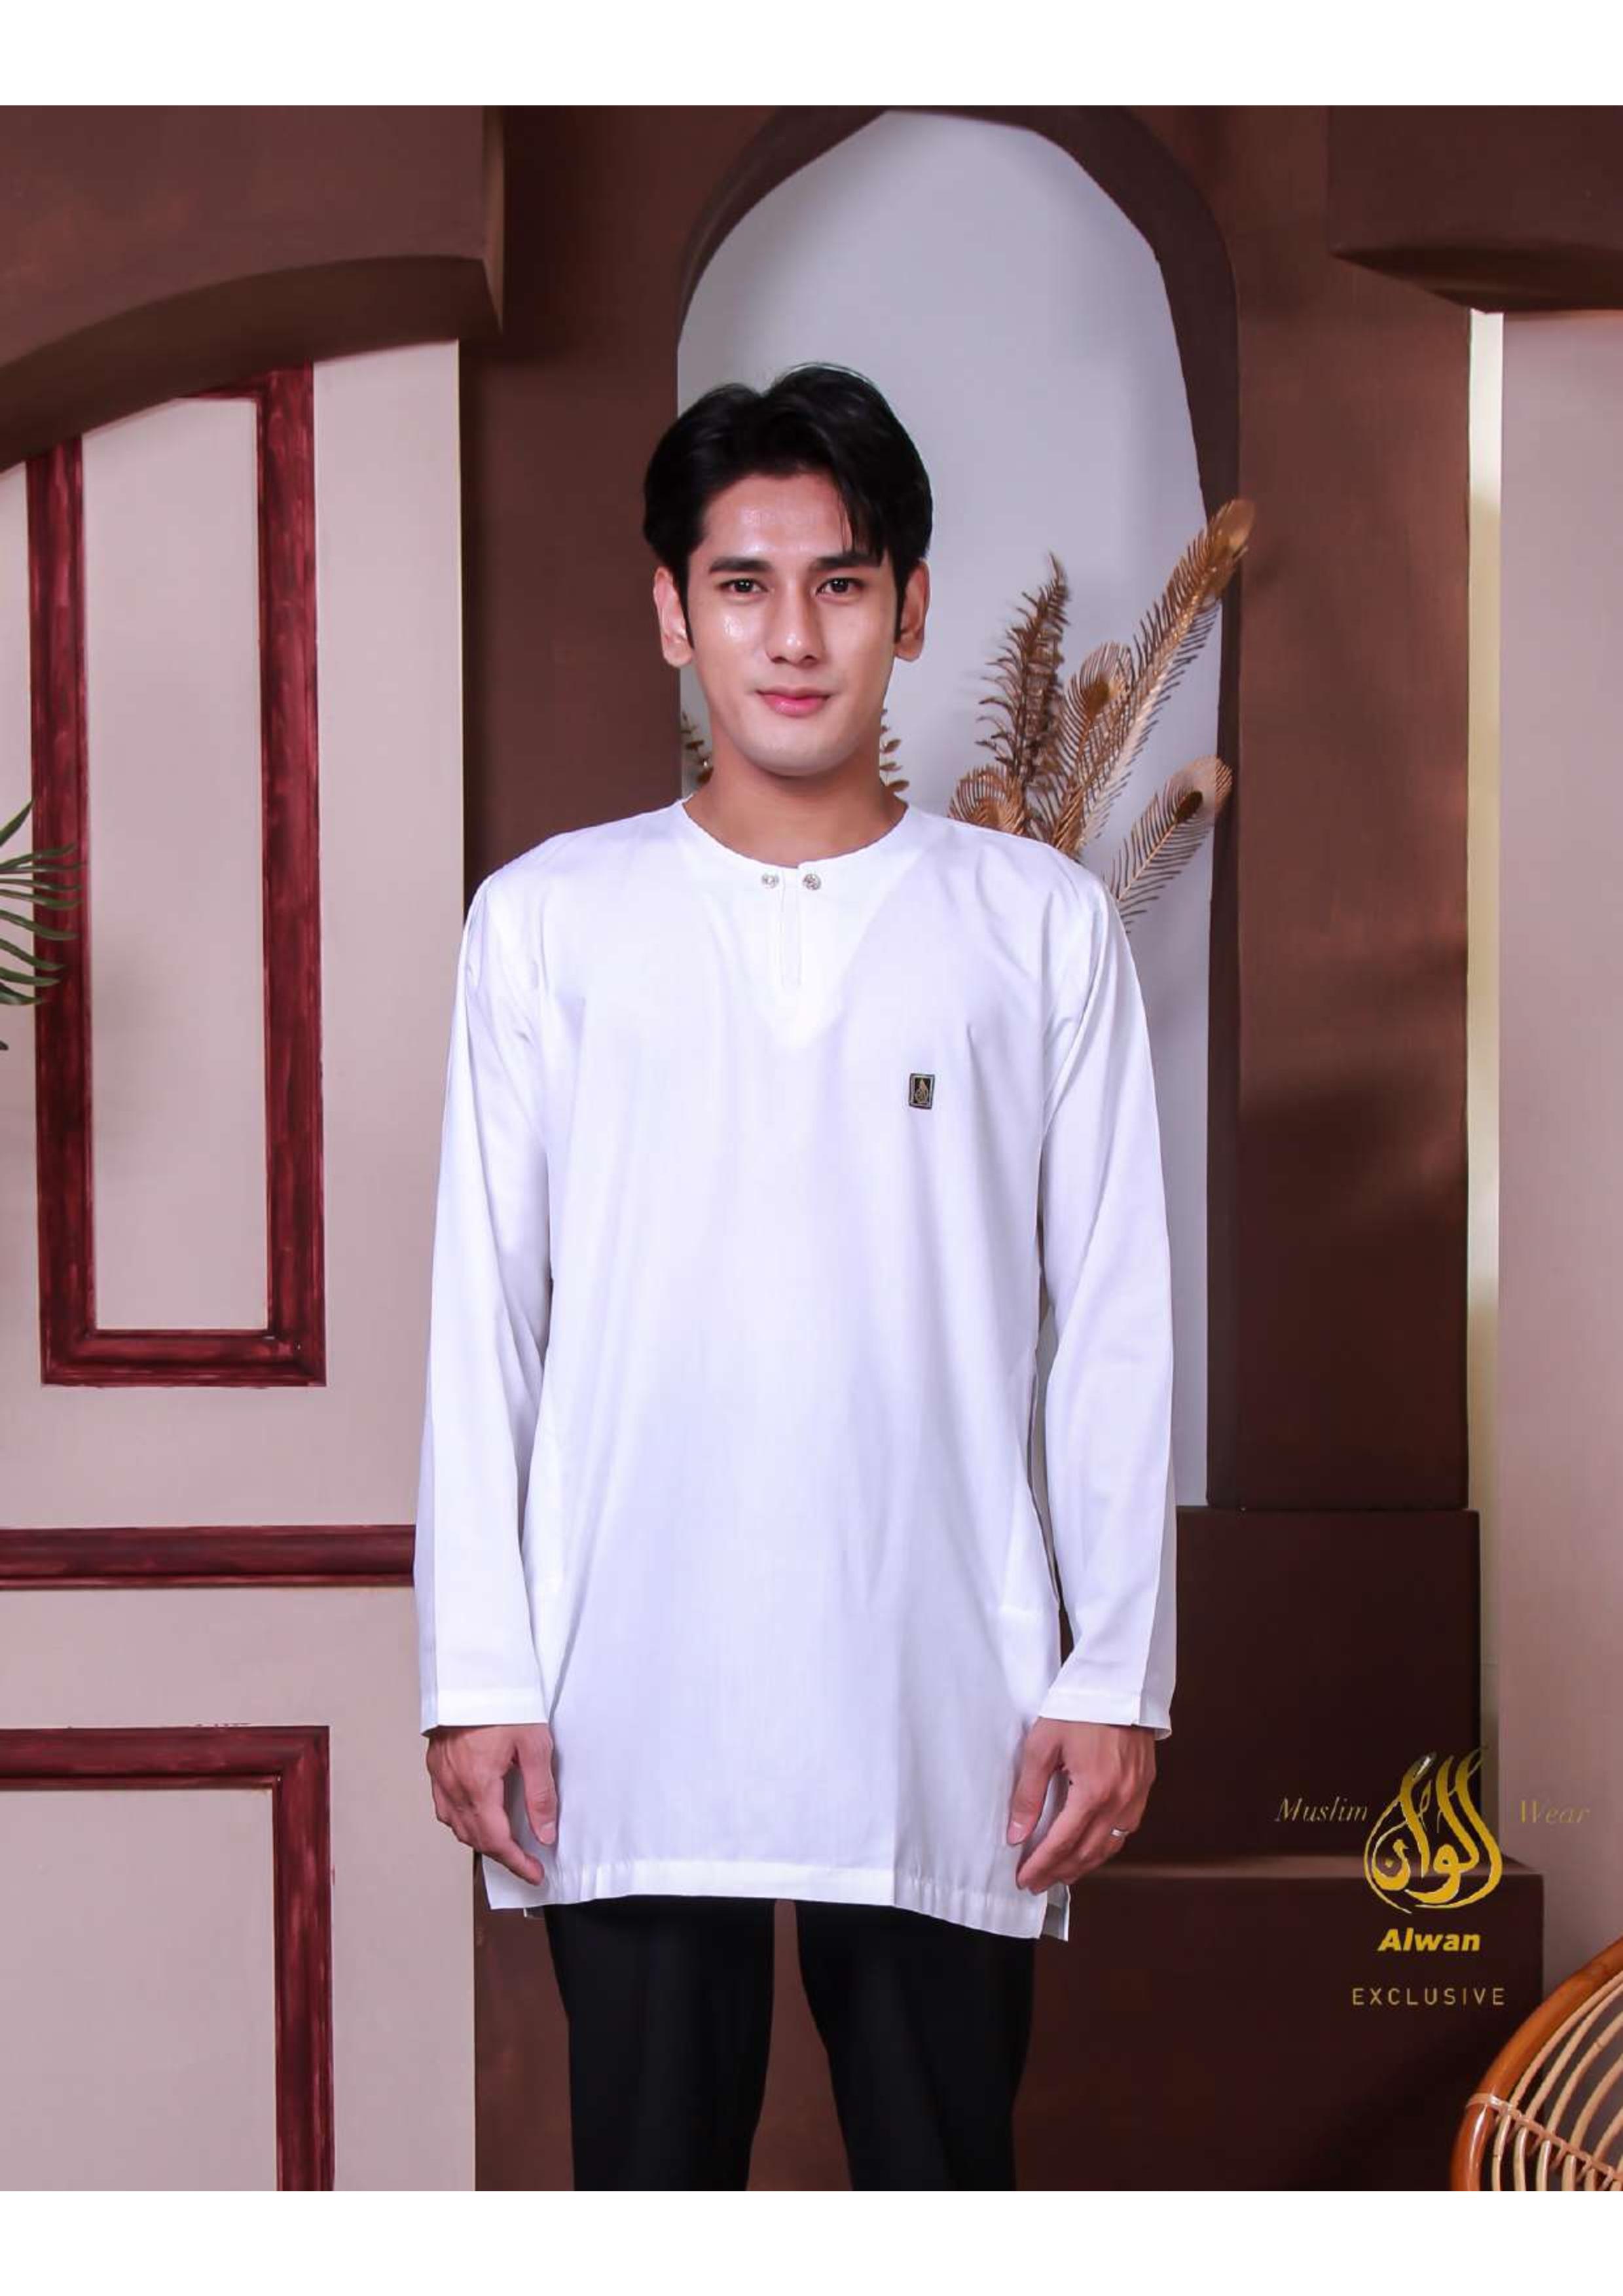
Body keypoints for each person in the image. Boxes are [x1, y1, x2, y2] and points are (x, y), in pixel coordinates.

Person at [412, 363, 1177, 2191]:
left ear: (910, 610)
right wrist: (475, 1666)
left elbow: (1117, 1323)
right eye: (743, 583)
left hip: (946, 1680)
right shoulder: (549, 922)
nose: (793, 634)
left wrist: (1115, 1671)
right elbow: (481, 1320)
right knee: (651, 2192)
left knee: (942, 2185)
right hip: (624, 1674)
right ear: (672, 612)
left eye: (841, 582)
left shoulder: (1034, 926)